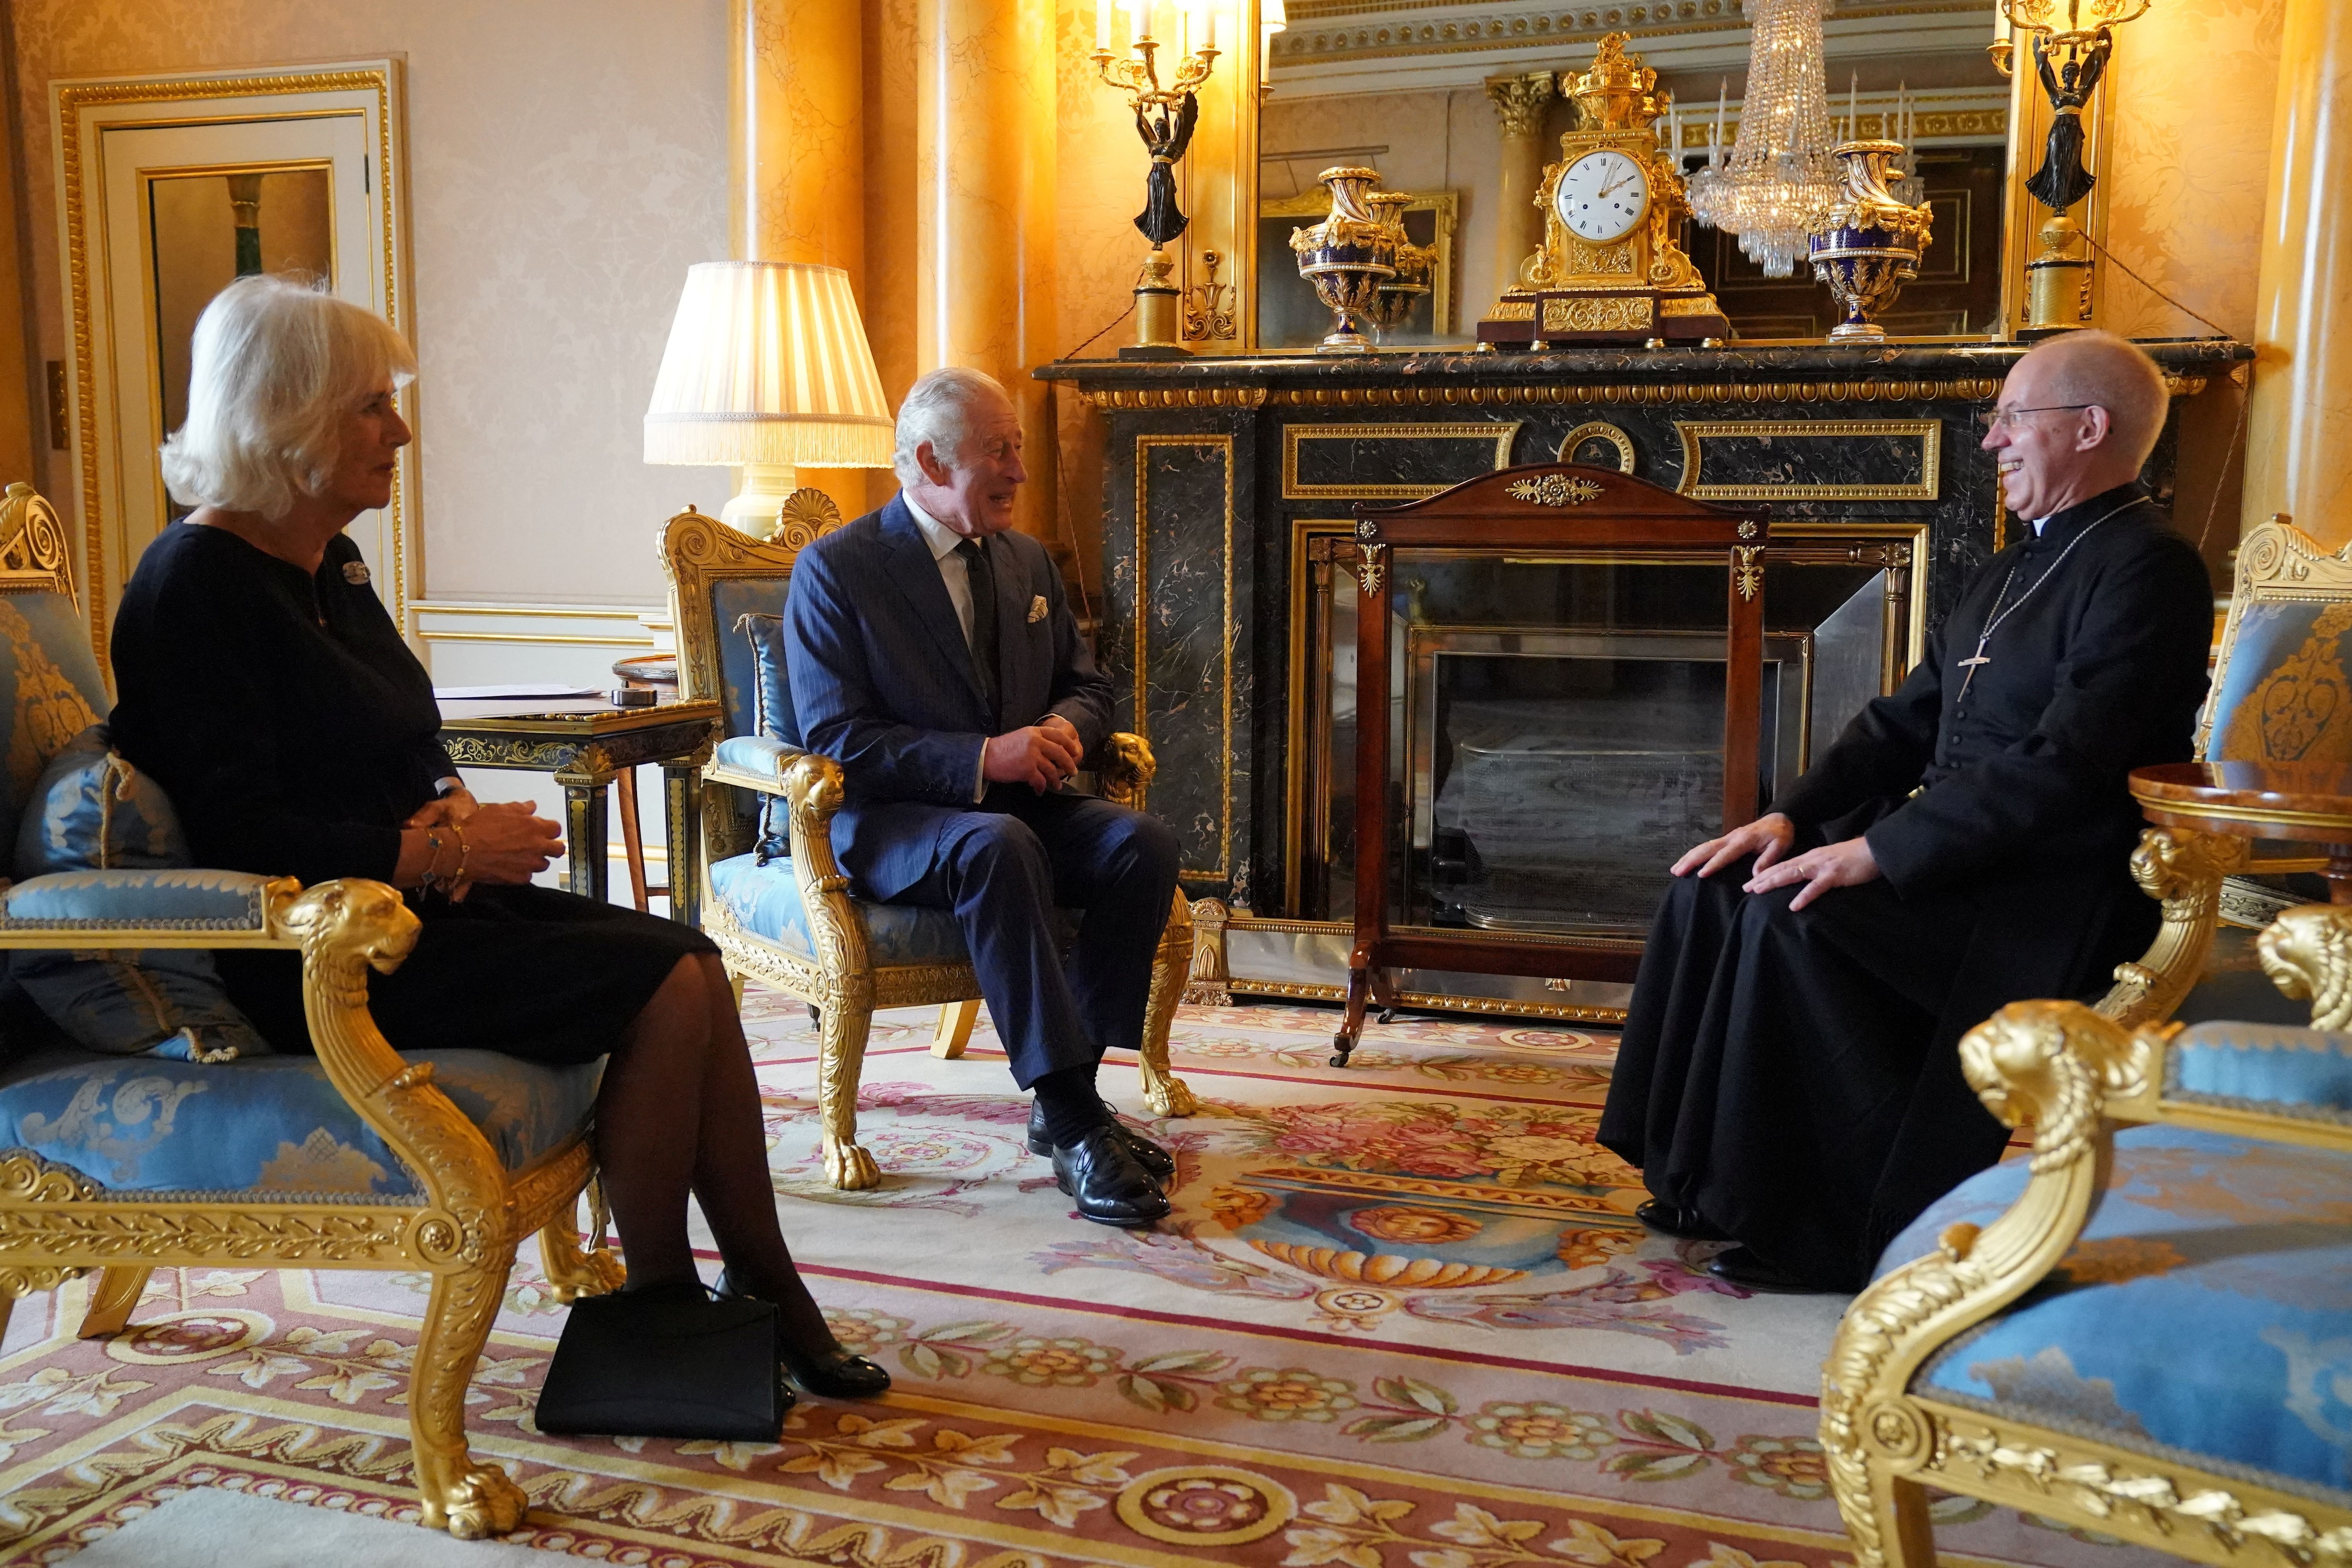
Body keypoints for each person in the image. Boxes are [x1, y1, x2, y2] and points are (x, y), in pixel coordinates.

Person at [108, 274, 888, 1400]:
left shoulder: (327, 559)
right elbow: (235, 828)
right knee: (665, 984)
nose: (402, 429)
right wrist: (437, 854)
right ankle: (668, 1302)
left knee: (696, 965)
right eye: (372, 405)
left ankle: (755, 1287)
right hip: (316, 955)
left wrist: (452, 808)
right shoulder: (191, 585)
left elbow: (407, 730)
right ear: (287, 417)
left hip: (417, 905)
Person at [1596, 331, 2213, 1294]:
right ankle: (1696, 1179)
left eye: (2013, 417)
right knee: (1714, 885)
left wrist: (1880, 851)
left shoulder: (2149, 567)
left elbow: (2069, 763)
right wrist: (1793, 820)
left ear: (2088, 427)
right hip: (1959, 852)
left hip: (2051, 883)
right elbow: (1905, 717)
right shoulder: (2012, 569)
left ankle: (1826, 1227)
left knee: (1791, 919)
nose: (1991, 441)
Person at [783, 366, 1182, 1227]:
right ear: (929, 459)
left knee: (1139, 844)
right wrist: (982, 758)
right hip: (896, 823)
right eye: (1000, 452)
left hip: (1019, 807)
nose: (1020, 472)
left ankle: (1065, 1094)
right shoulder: (836, 570)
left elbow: (1089, 683)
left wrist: (1067, 729)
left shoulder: (1025, 558)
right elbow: (836, 738)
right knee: (995, 843)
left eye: (1018, 450)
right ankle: (1079, 1122)